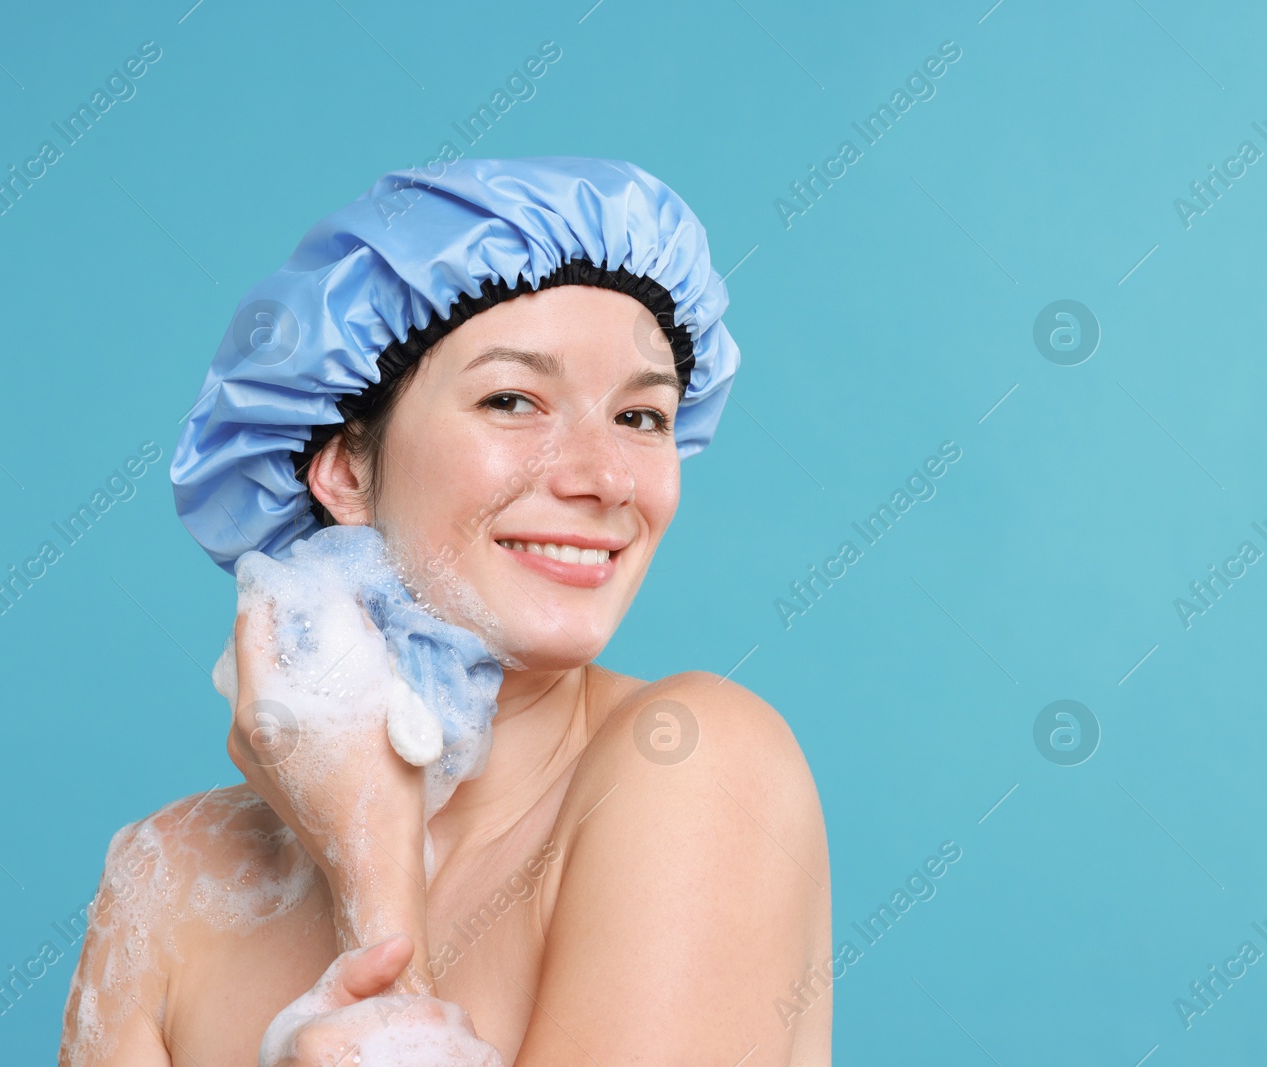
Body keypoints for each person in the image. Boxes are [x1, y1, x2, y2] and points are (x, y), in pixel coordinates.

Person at [59, 157, 831, 1066]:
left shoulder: (695, 761)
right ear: (345, 466)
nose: (607, 478)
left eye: (642, 416)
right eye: (513, 400)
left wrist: (374, 882)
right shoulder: (167, 880)